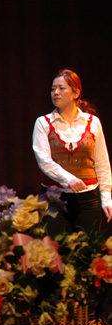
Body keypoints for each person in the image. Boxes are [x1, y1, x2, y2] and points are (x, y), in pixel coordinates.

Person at [33, 69, 112, 235]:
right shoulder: (43, 123)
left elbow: (102, 162)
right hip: (54, 199)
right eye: (53, 89)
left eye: (61, 88)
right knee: (53, 246)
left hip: (87, 199)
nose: (56, 92)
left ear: (76, 93)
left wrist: (106, 197)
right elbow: (44, 161)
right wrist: (69, 179)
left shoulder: (92, 122)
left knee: (87, 246)